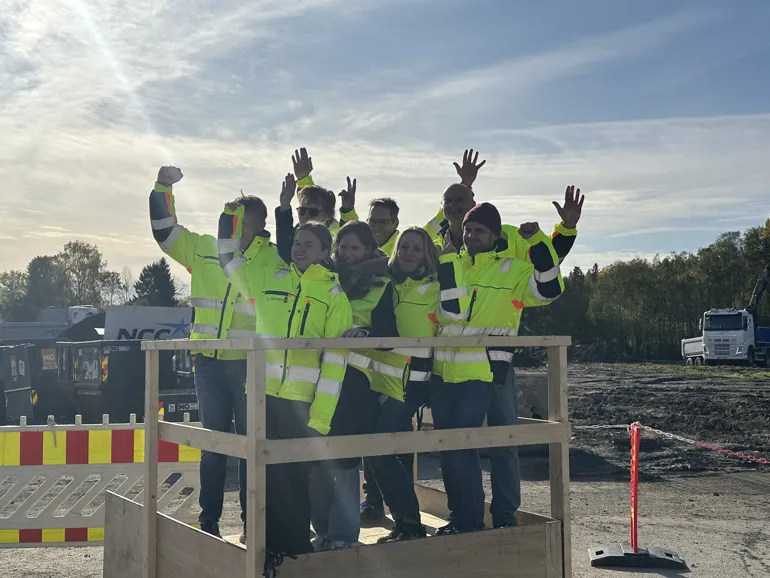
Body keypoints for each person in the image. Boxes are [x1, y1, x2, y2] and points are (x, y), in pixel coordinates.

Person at [148, 165, 281, 539]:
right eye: (229, 219)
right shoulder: (204, 248)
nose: (232, 228)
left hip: (249, 367)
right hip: (206, 364)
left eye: (241, 222)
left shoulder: (272, 259)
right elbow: (165, 232)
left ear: (259, 225)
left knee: (249, 447)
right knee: (213, 445)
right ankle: (209, 524)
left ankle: (251, 524)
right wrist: (162, 187)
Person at [218, 200, 353, 557]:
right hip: (262, 397)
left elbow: (336, 362)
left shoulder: (334, 296)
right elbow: (229, 261)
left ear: (326, 251)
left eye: (309, 243)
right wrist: (229, 217)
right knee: (263, 478)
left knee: (294, 479)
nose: (299, 248)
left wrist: (320, 417)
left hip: (302, 404)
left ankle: (293, 553)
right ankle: (266, 550)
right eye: (296, 242)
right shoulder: (268, 276)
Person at [432, 202, 565, 535]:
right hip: (447, 373)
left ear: (495, 235)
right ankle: (462, 517)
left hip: (493, 370)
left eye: (480, 230)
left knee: (502, 443)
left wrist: (538, 243)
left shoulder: (513, 270)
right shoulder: (450, 263)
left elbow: (550, 289)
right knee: (453, 447)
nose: (473, 235)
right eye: (469, 229)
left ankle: (503, 516)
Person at [276, 220, 399, 552]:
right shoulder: (321, 279)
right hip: (319, 382)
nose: (347, 254)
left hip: (355, 385)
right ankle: (322, 529)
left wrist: (367, 335)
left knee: (344, 462)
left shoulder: (381, 286)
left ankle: (344, 534)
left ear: (369, 252)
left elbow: (390, 335)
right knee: (316, 458)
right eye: (343, 247)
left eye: (355, 248)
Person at [367, 226, 441, 543]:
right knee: (375, 453)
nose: (409, 252)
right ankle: (404, 523)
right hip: (380, 380)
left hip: (410, 383)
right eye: (404, 247)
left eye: (416, 248)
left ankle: (410, 522)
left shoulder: (436, 288)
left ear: (427, 254)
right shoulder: (388, 285)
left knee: (380, 452)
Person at [425, 149, 580, 264]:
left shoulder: (506, 238)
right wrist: (465, 184)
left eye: (460, 200)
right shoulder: (430, 243)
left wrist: (567, 227)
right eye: (448, 201)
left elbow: (551, 257)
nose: (453, 205)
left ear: (473, 204)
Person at [286, 147, 343, 234]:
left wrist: (348, 210)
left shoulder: (335, 241)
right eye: (302, 211)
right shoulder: (292, 240)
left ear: (326, 216)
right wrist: (303, 179)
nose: (306, 216)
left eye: (313, 212)